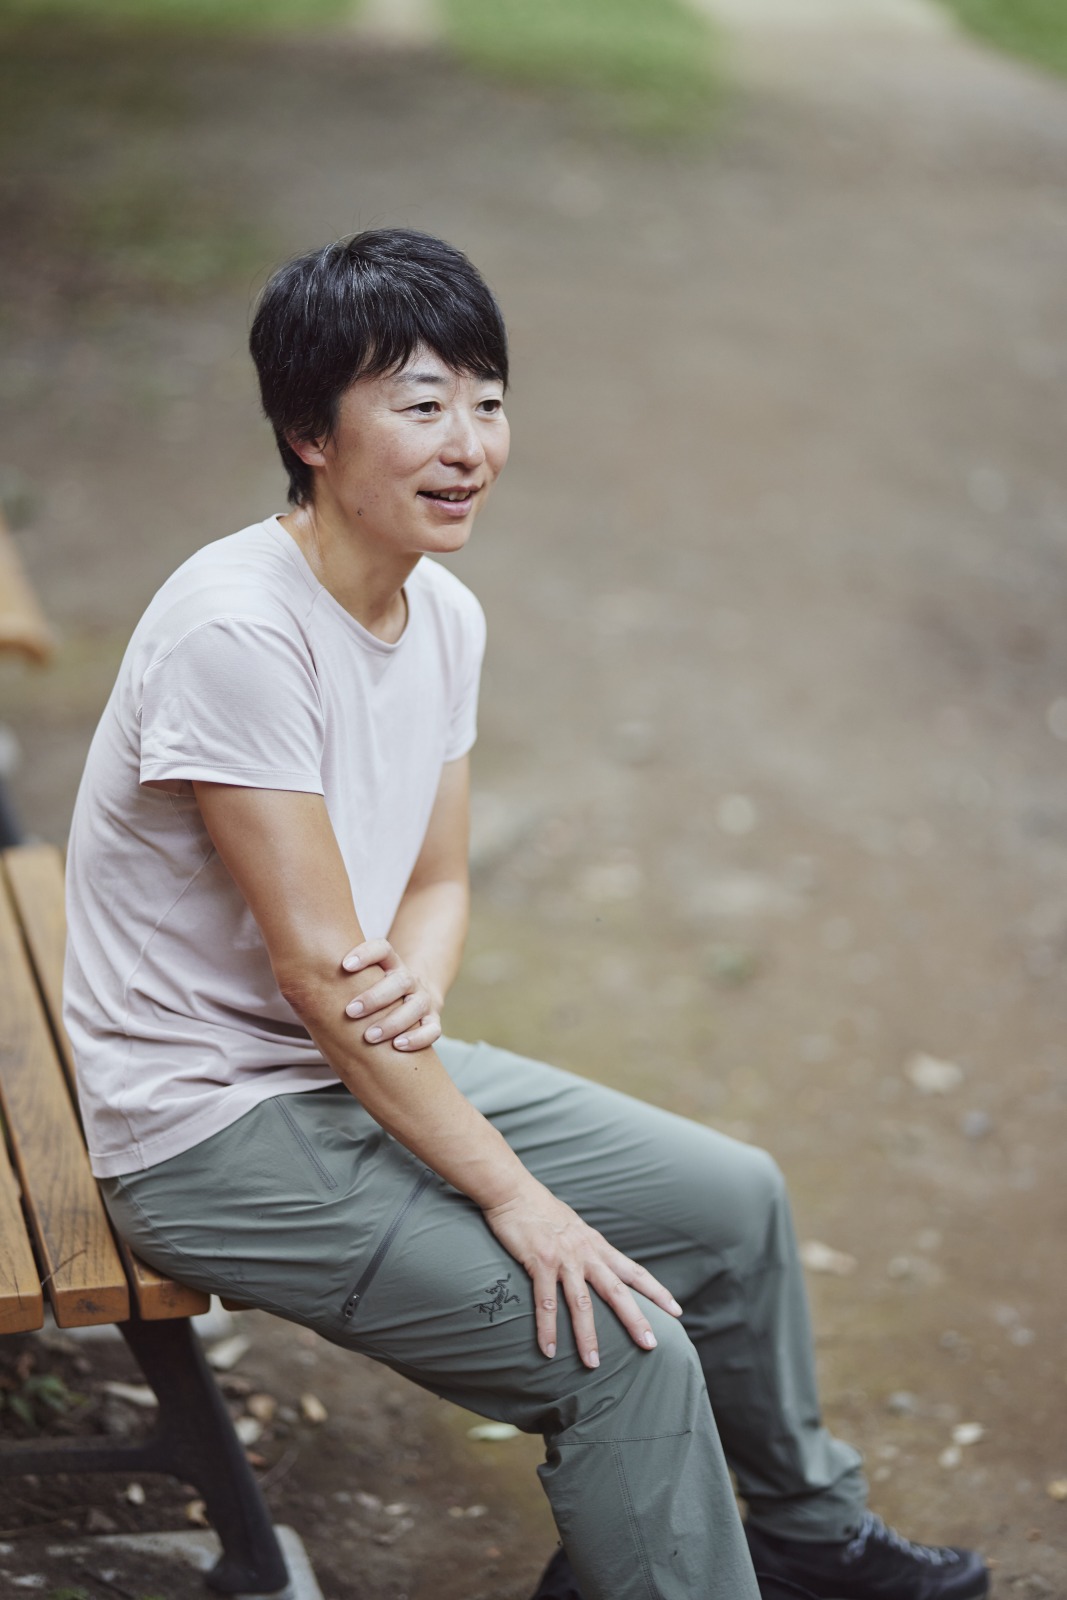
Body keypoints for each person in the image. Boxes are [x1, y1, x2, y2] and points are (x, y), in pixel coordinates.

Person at [63, 228, 988, 1600]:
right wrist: (518, 1198)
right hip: (208, 1126)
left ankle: (802, 1534)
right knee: (623, 1353)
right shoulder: (236, 633)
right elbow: (318, 976)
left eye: (487, 402)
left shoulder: (442, 615)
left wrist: (416, 987)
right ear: (309, 433)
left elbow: (434, 882)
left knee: (732, 1205)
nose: (469, 446)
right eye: (420, 405)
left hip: (349, 1062)